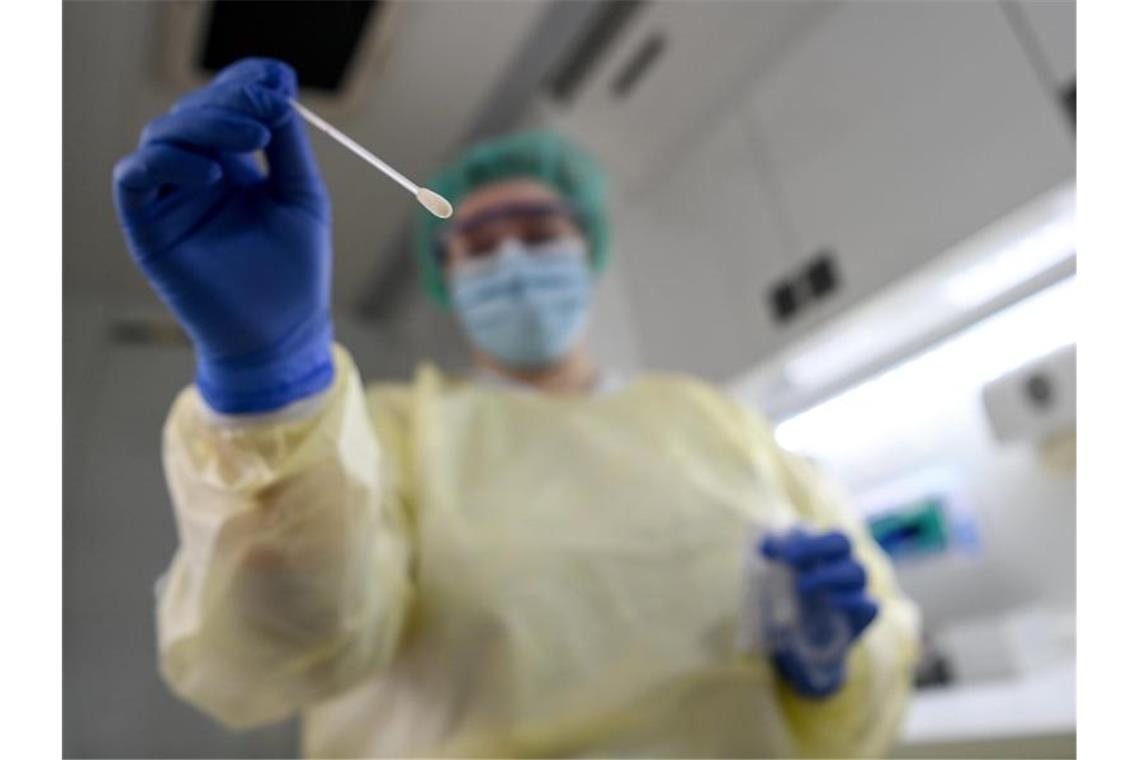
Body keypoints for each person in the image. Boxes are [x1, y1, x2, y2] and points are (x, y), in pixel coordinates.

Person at [112, 58, 920, 758]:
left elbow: (877, 638)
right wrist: (269, 385)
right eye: (481, 243)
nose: (513, 257)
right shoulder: (385, 435)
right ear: (447, 278)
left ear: (588, 250)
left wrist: (833, 669)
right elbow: (288, 646)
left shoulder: (722, 423)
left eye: (539, 232)